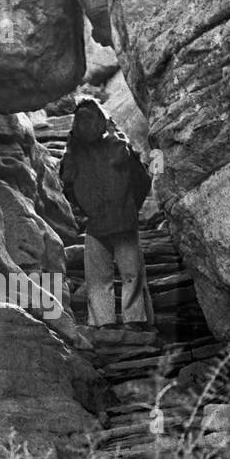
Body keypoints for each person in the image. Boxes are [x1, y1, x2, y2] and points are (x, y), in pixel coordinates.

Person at [60, 97, 154, 330]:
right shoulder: (118, 146)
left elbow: (67, 184)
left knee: (98, 278)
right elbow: (142, 179)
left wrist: (85, 212)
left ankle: (104, 323)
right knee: (132, 274)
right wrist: (131, 207)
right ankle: (135, 321)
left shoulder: (74, 153)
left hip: (97, 224)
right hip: (123, 220)